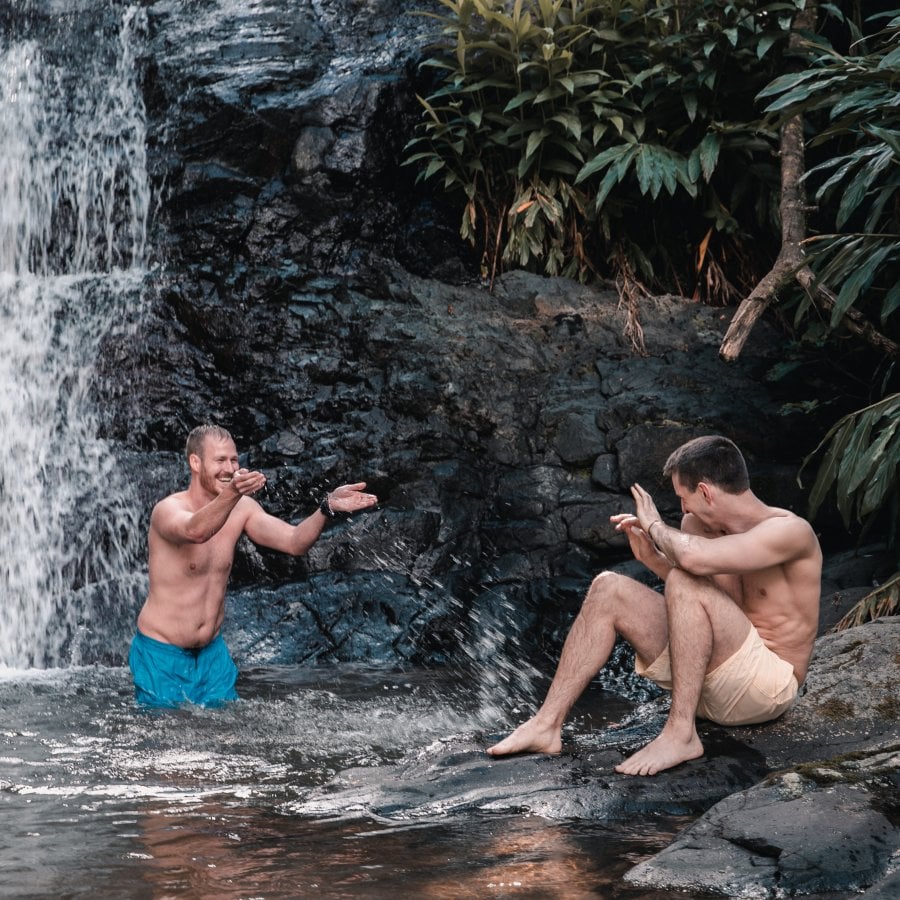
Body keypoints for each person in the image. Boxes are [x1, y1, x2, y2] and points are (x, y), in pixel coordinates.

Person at [487, 435, 822, 776]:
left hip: (765, 690)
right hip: (716, 674)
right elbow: (722, 605)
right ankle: (546, 725)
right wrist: (653, 559)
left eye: (683, 498)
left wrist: (654, 524)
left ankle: (681, 734)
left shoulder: (790, 532)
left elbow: (693, 566)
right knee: (608, 587)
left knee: (684, 577)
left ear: (705, 491)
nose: (683, 511)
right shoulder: (698, 526)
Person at [129, 423, 378, 708]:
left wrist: (326, 508)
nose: (229, 467)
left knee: (225, 737)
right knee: (167, 739)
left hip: (212, 654)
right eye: (220, 460)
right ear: (195, 462)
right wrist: (232, 493)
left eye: (234, 459)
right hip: (161, 653)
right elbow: (196, 532)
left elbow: (295, 542)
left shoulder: (242, 508)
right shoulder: (169, 510)